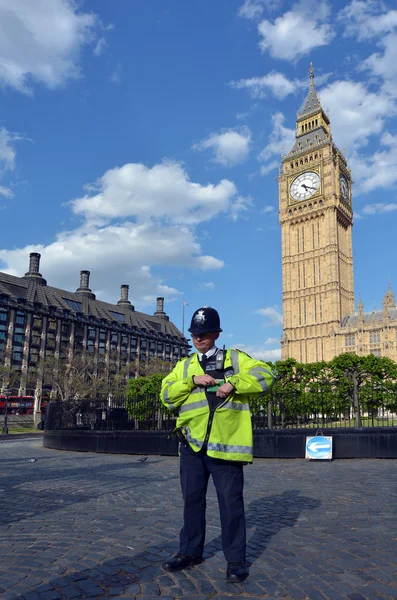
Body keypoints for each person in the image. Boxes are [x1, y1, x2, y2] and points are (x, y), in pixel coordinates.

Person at [160, 306, 274, 583]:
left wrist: (234, 383)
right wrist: (191, 381)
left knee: (230, 505)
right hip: (192, 445)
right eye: (195, 334)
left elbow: (267, 375)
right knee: (192, 502)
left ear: (216, 334)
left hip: (226, 446)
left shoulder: (235, 358)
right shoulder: (184, 365)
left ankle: (235, 561)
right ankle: (190, 552)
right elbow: (165, 395)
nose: (200, 338)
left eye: (205, 333)